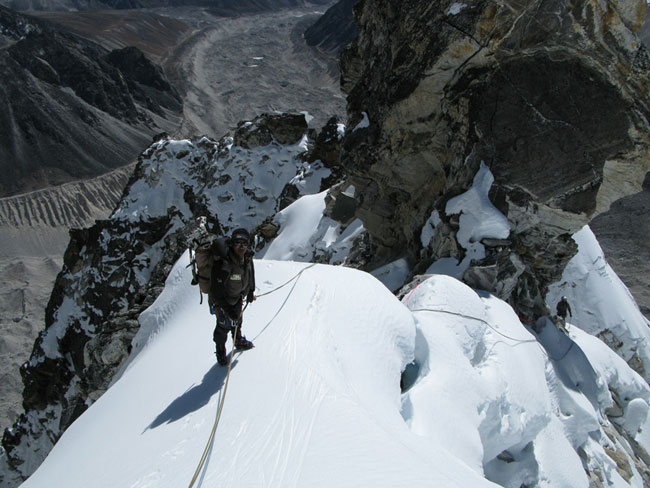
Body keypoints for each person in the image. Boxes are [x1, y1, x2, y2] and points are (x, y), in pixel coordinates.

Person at [209, 228, 256, 366]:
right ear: (231, 244)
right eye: (238, 243)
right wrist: (229, 311)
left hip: (237, 296)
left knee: (238, 319)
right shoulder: (223, 263)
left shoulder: (247, 257)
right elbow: (216, 292)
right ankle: (220, 351)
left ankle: (238, 339)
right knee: (223, 326)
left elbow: (250, 273)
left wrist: (251, 291)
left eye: (244, 244)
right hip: (222, 300)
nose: (241, 247)